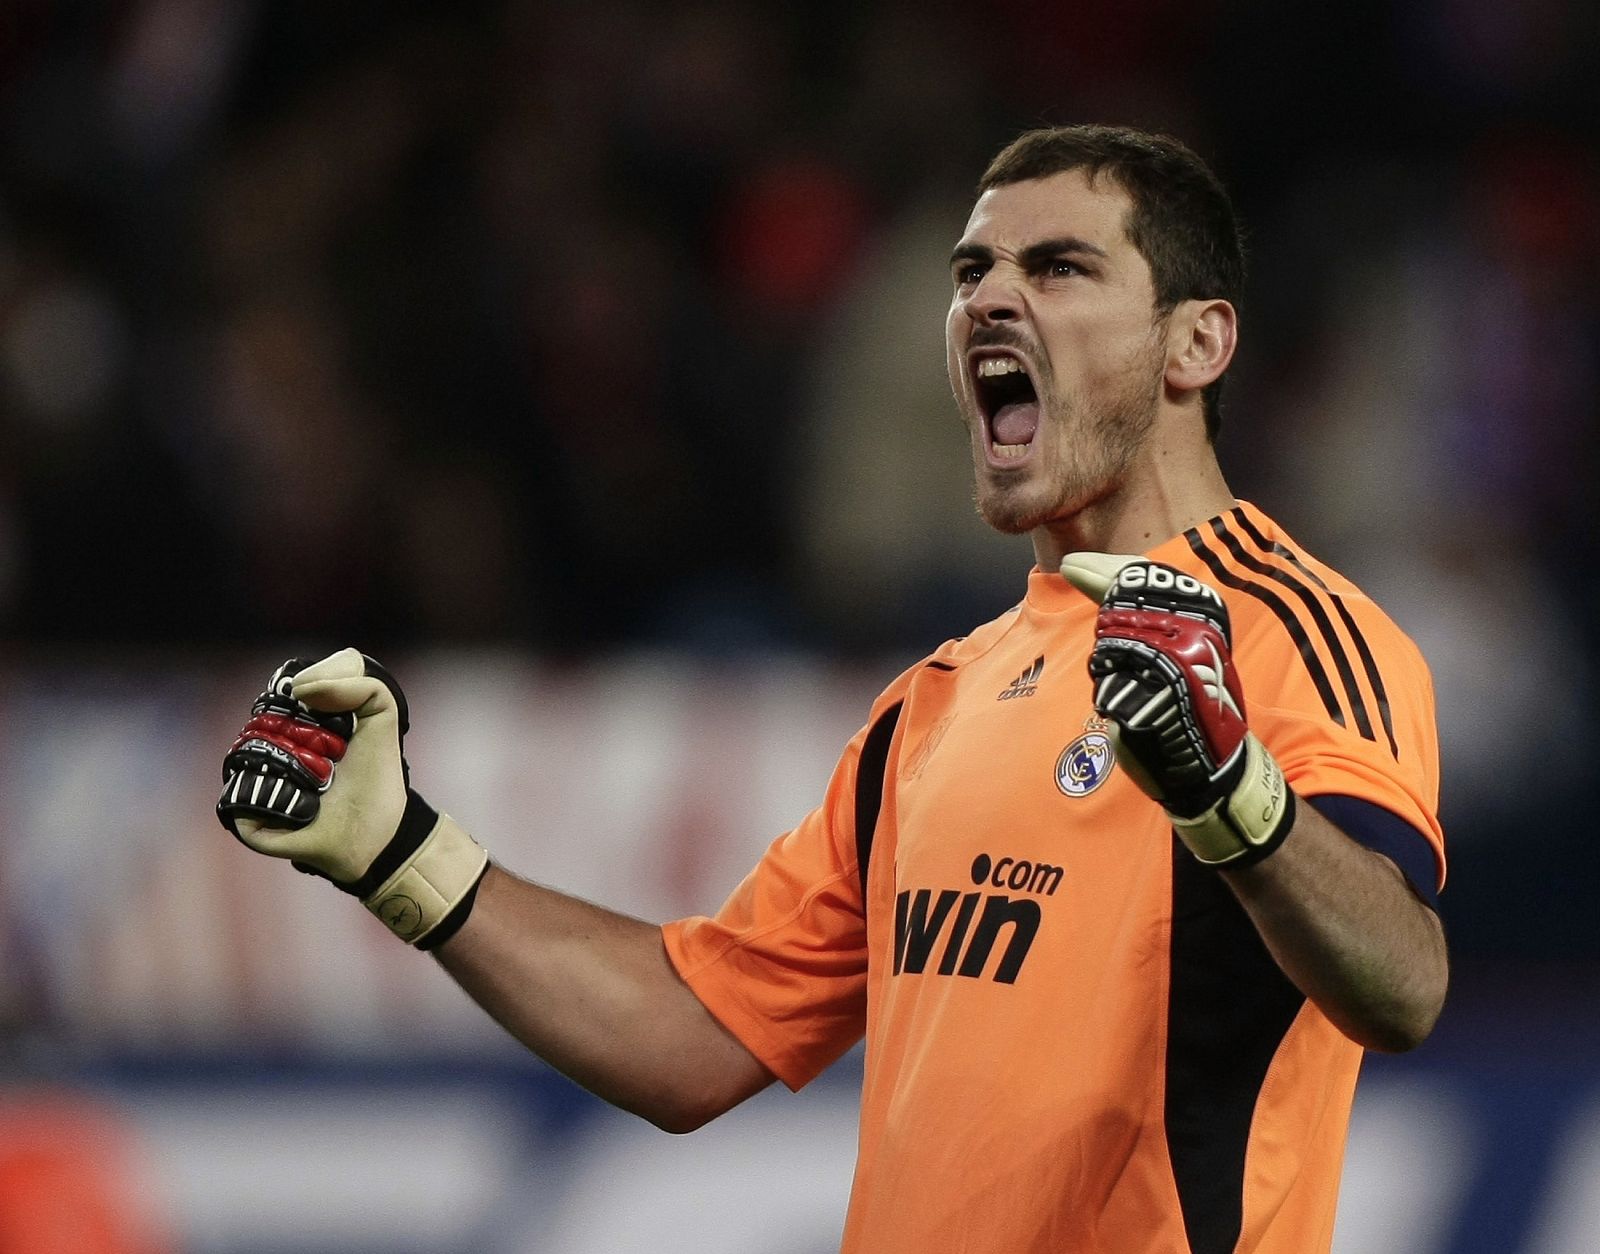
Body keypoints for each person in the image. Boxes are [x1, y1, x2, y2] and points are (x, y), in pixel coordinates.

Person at [216, 124, 1448, 1254]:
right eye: (971, 272)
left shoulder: (1294, 632)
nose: (991, 300)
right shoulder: (936, 704)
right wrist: (398, 853)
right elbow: (695, 1036)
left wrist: (1234, 794)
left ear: (1198, 342)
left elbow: (1403, 982)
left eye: (1060, 267)